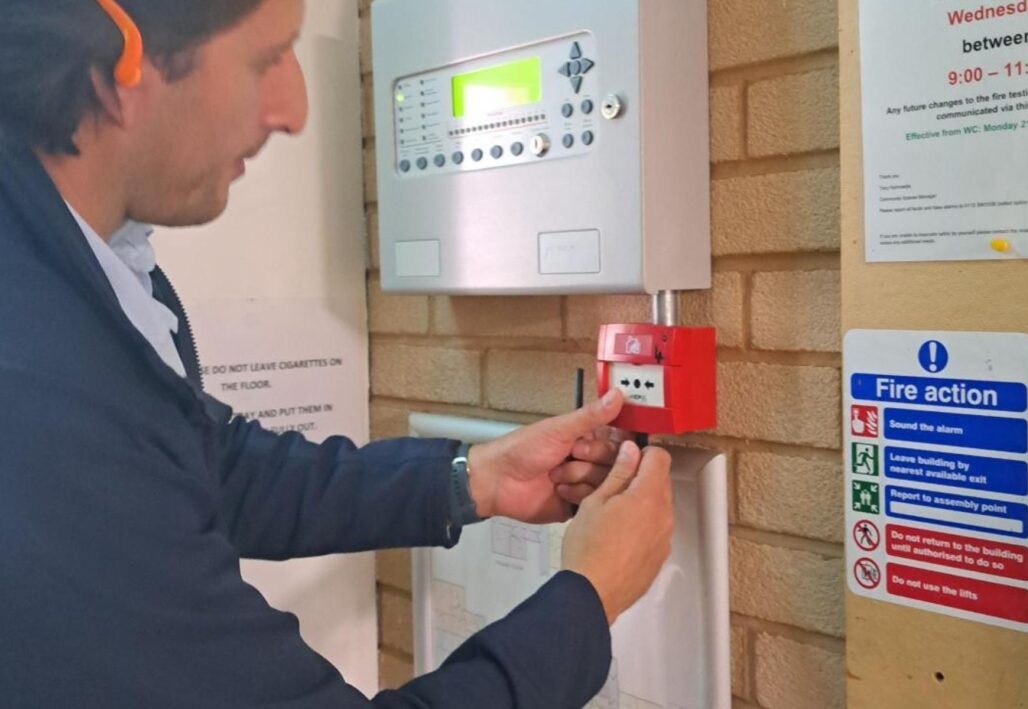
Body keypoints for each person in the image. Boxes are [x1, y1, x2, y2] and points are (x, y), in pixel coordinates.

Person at [0, 2, 675, 707]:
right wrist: (587, 600)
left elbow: (211, 465)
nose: (293, 109)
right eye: (265, 58)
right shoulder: (38, 401)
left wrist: (472, 478)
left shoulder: (64, 268)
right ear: (121, 59)